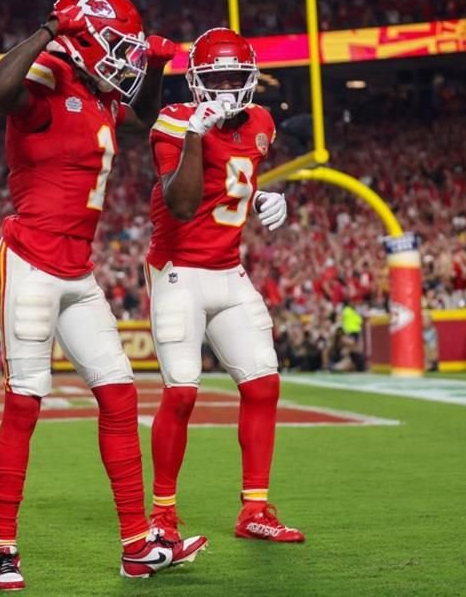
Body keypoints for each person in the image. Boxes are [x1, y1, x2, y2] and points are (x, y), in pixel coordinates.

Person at [0, 0, 203, 589]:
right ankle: (2, 548)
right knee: (25, 399)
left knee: (120, 393)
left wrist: (154, 66)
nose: (124, 58)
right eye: (119, 46)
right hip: (30, 260)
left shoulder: (98, 95)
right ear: (83, 37)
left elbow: (147, 120)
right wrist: (51, 30)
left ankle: (136, 546)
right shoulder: (48, 75)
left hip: (78, 271)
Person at [144, 28, 303, 546]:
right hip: (177, 272)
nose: (230, 87)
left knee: (263, 382)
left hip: (228, 270)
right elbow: (183, 202)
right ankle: (163, 515)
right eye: (218, 78)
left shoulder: (260, 121)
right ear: (196, 82)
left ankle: (254, 508)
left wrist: (260, 199)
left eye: (237, 76)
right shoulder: (173, 121)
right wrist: (195, 133)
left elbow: (237, 177)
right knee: (183, 391)